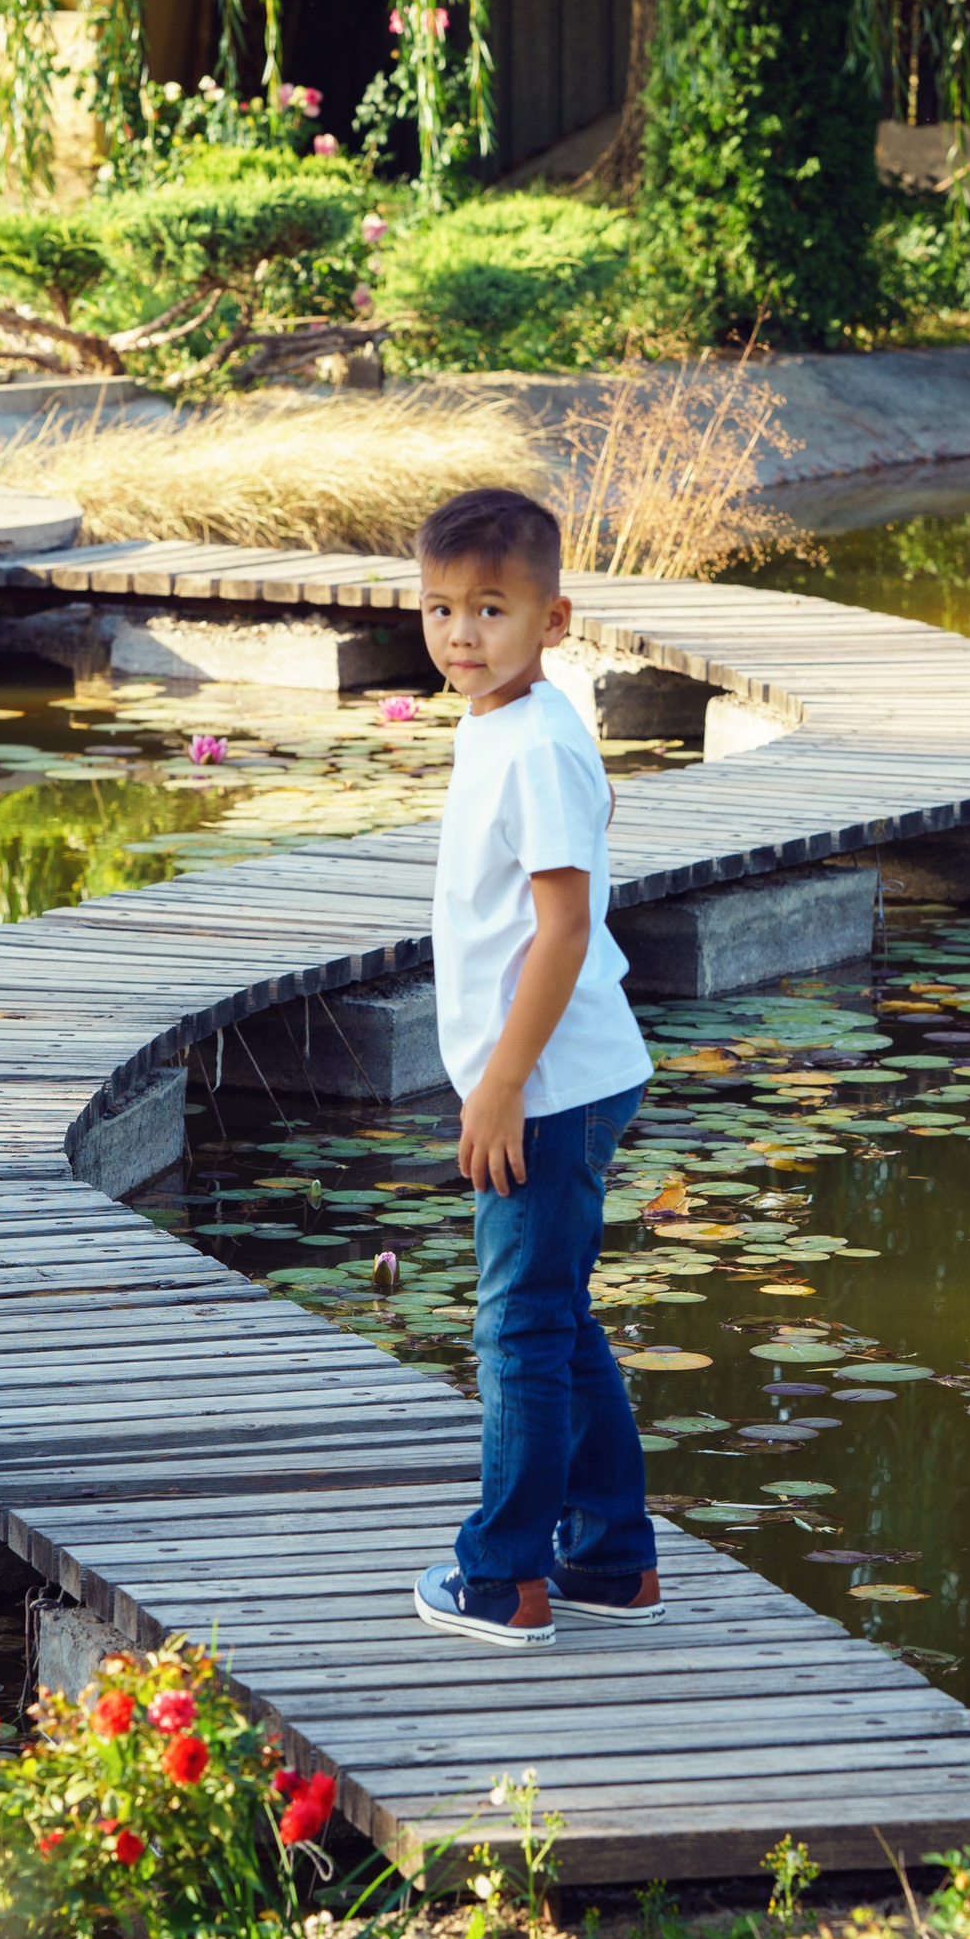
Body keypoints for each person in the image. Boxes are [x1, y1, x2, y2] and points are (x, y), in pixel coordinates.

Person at [408, 485, 663, 1647]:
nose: (462, 634)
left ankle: (505, 1572)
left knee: (516, 1330)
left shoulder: (540, 745)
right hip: (557, 1073)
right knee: (555, 1315)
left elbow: (562, 928)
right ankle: (610, 1555)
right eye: (441, 609)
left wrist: (501, 1083)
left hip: (547, 1086)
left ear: (553, 618)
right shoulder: (505, 723)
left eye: (491, 609)